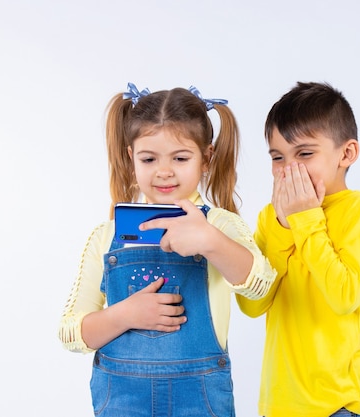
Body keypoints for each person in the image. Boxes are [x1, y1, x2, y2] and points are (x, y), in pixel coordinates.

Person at [58, 82, 276, 417]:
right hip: (121, 402)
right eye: (149, 158)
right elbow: (71, 333)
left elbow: (260, 288)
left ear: (206, 158)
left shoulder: (221, 226)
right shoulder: (106, 236)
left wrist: (212, 242)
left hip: (201, 400)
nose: (164, 171)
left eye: (180, 157)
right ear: (131, 159)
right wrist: (126, 314)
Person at [236, 81, 360, 417]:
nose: (289, 168)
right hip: (277, 405)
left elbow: (344, 295)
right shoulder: (272, 217)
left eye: (305, 153)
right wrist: (282, 226)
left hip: (340, 405)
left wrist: (305, 219)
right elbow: (251, 304)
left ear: (346, 154)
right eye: (278, 157)